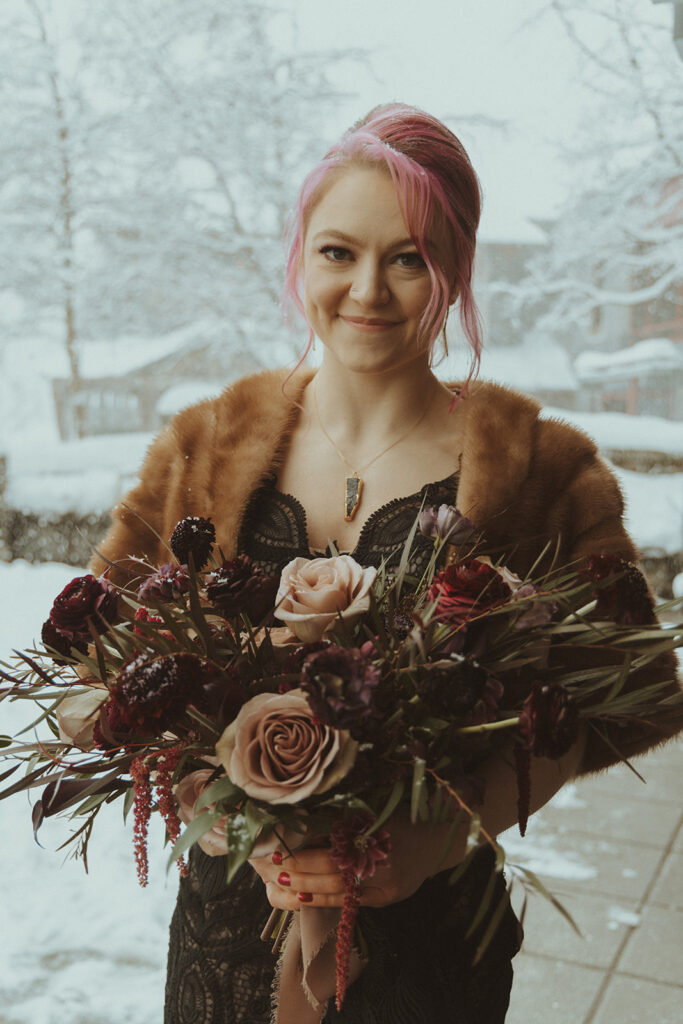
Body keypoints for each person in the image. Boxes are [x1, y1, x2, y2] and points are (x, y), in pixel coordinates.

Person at [92, 104, 680, 1024]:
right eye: (338, 252)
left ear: (455, 269)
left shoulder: (541, 471)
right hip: (228, 940)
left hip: (433, 950)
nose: (368, 289)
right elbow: (106, 674)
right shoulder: (203, 448)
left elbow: (618, 693)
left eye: (407, 257)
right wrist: (224, 808)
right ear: (300, 257)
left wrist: (442, 835)